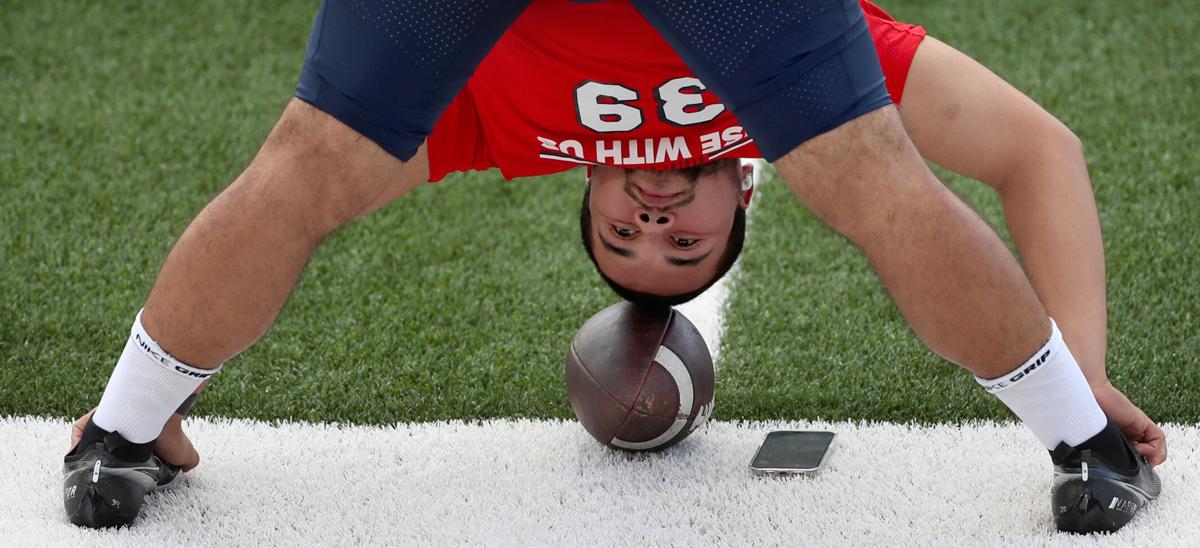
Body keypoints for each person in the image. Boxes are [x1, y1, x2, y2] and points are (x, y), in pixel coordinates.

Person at [63, 0, 1161, 534]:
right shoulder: (785, 117)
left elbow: (291, 205)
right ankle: (1086, 439)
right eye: (679, 243)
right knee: (872, 178)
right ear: (747, 178)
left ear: (575, 180)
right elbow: (1038, 151)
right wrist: (1086, 365)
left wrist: (161, 388)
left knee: (306, 163)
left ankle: (119, 434)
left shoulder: (504, 121)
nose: (651, 219)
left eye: (633, 242)